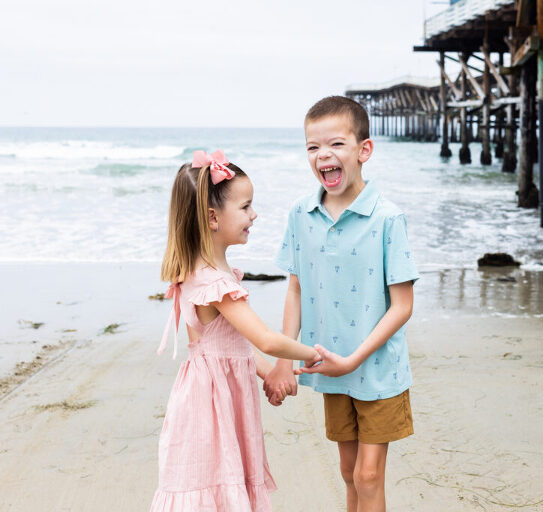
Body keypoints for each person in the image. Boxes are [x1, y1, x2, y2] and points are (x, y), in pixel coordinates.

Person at [268, 96, 419, 512]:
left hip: (378, 369)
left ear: (363, 150)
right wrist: (283, 358)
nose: (323, 156)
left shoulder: (388, 218)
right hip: (329, 364)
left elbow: (402, 306)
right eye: (313, 148)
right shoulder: (301, 213)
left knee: (369, 476)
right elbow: (296, 289)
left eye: (335, 144)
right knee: (349, 471)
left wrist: (354, 359)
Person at [150, 149, 320, 511]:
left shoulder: (203, 272)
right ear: (213, 217)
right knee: (216, 485)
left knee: (220, 484)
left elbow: (232, 349)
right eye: (245, 207)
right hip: (211, 406)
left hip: (211, 396)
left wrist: (272, 374)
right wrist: (315, 354)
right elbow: (266, 339)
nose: (253, 214)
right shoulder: (215, 283)